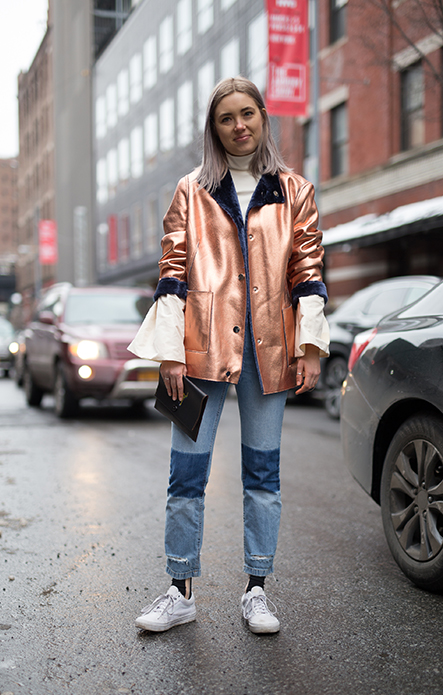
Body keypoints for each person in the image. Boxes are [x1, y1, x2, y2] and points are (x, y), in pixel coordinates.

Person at [129, 77, 329, 635]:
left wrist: (310, 347)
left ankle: (257, 590)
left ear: (263, 117)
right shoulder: (191, 191)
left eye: (247, 114)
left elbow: (307, 272)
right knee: (186, 474)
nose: (239, 125)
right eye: (226, 118)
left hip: (271, 351)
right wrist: (170, 352)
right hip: (199, 352)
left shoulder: (295, 191)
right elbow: (172, 273)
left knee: (263, 474)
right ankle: (180, 591)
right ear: (213, 129)